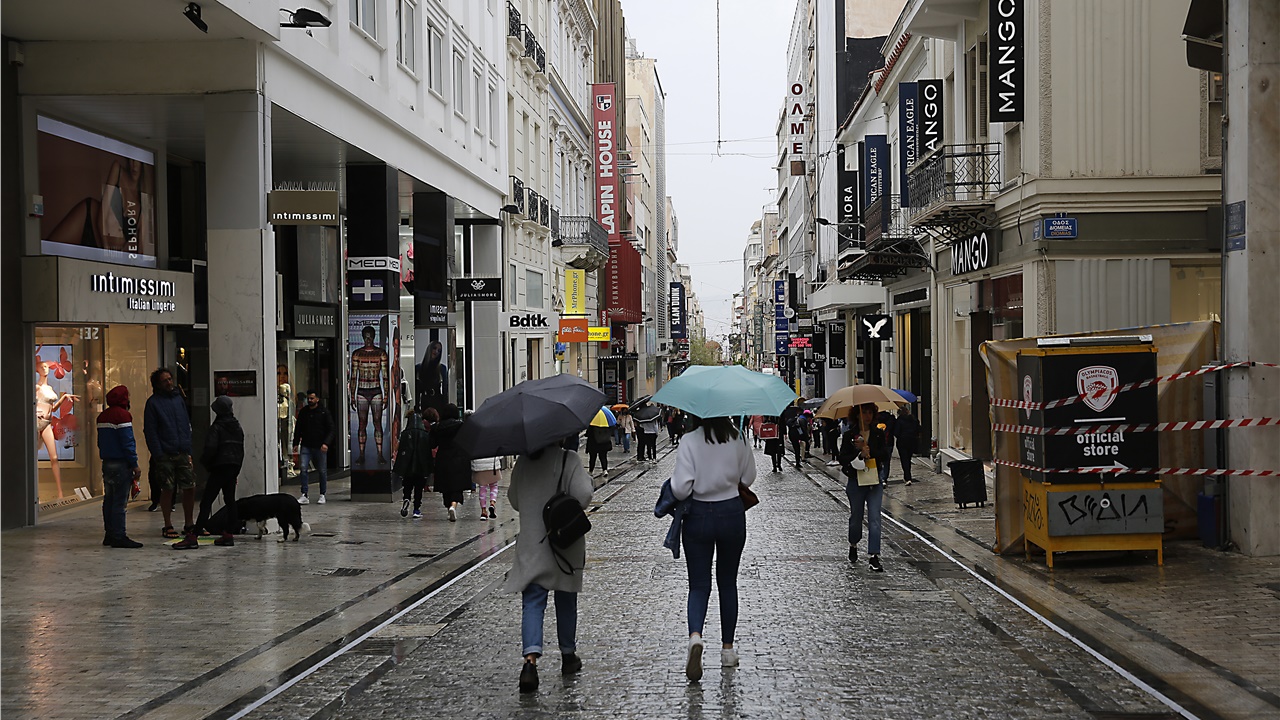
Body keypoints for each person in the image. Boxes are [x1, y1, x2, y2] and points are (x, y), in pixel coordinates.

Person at [669, 415, 756, 682]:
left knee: (698, 585)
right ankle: (728, 650)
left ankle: (695, 636)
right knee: (728, 583)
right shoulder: (738, 437)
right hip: (731, 512)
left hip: (698, 516)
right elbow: (749, 477)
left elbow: (681, 488)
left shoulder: (689, 441)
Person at [504, 440, 593, 693]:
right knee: (566, 598)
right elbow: (584, 496)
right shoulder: (569, 459)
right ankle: (568, 656)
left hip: (533, 543)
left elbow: (514, 500)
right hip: (564, 545)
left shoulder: (523, 461)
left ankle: (530, 663)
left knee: (532, 602)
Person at [144, 367, 196, 544]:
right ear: (158, 384)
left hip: (182, 450)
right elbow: (150, 431)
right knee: (168, 489)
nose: (169, 382)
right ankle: (167, 524)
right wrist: (158, 454)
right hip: (165, 453)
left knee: (189, 486)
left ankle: (189, 523)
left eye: (170, 379)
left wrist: (188, 449)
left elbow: (185, 424)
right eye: (165, 380)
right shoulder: (153, 403)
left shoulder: (178, 399)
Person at [839, 403, 888, 572]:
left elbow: (885, 454)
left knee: (875, 518)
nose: (867, 416)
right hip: (856, 480)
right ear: (858, 415)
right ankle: (853, 543)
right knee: (856, 517)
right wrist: (859, 453)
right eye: (864, 412)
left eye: (870, 413)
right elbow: (842, 458)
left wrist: (871, 451)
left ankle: (874, 555)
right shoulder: (849, 435)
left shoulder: (878, 434)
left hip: (874, 479)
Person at [192, 395, 244, 548]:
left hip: (219, 467)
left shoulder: (217, 427)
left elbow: (210, 449)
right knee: (230, 500)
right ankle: (229, 534)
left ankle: (194, 535)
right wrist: (236, 470)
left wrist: (206, 464)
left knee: (207, 502)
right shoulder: (236, 426)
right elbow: (241, 450)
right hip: (232, 467)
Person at [96, 385, 142, 548]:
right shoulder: (123, 416)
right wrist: (135, 465)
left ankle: (109, 534)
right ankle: (118, 536)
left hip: (107, 463)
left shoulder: (102, 417)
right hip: (121, 464)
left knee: (109, 500)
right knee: (119, 502)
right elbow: (127, 442)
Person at [34, 349, 80, 500]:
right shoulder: (36, 388)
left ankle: (60, 492)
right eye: (42, 367)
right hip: (36, 423)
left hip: (46, 423)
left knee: (54, 457)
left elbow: (52, 409)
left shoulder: (49, 389)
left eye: (46, 366)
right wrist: (35, 413)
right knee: (32, 458)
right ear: (37, 370)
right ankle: (35, 493)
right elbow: (29, 403)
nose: (45, 368)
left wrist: (65, 397)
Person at [349, 325, 389, 465]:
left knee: (377, 422)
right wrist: (352, 395)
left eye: (370, 336)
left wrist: (385, 396)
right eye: (365, 336)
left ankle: (379, 454)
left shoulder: (380, 353)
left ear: (373, 337)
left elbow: (385, 377)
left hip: (375, 389)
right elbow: (353, 376)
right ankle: (361, 454)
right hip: (362, 390)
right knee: (362, 423)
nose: (368, 339)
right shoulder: (357, 354)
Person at [292, 391, 334, 505]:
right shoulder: (304, 412)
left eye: (312, 398)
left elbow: (331, 429)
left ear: (317, 399)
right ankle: (304, 494)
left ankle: (322, 494)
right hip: (306, 444)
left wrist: (326, 443)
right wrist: (295, 443)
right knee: (303, 468)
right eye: (308, 398)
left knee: (322, 471)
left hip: (320, 446)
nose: (310, 400)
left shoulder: (324, 412)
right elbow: (298, 428)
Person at [430, 404, 469, 522]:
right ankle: (453, 506)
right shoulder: (461, 426)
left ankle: (449, 509)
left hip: (443, 459)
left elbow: (432, 444)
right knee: (457, 487)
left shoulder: (437, 427)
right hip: (458, 458)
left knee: (446, 486)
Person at [395, 407, 435, 519]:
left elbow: (400, 450)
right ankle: (416, 509)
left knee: (407, 485)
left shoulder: (405, 434)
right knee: (418, 488)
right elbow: (428, 452)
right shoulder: (425, 435)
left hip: (407, 466)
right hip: (421, 467)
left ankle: (406, 499)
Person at [895, 405, 921, 486]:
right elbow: (919, 429)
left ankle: (907, 477)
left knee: (904, 459)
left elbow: (896, 432)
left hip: (902, 442)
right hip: (912, 441)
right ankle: (907, 475)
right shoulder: (913, 419)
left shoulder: (899, 421)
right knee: (908, 459)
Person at [472, 454, 501, 520]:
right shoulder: (492, 442)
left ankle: (483, 511)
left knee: (482, 487)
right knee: (494, 485)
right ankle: (492, 503)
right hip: (493, 464)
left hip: (479, 464)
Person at [874, 408, 897, 484]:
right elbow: (894, 431)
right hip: (889, 442)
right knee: (887, 461)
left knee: (877, 460)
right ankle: (884, 478)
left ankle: (879, 477)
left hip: (877, 443)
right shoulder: (890, 419)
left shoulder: (874, 419)